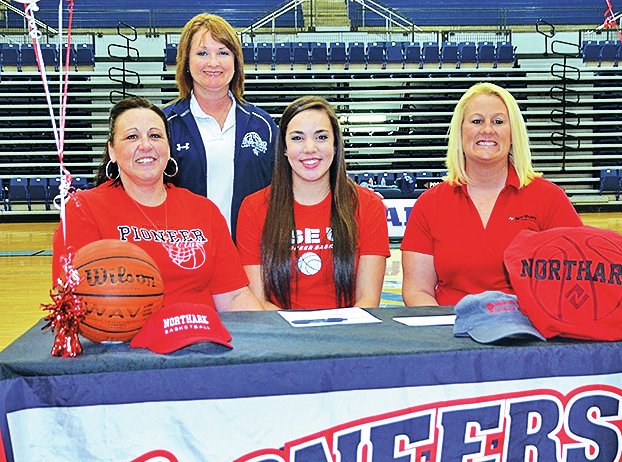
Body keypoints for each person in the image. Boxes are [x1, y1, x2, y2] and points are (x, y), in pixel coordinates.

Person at [52, 96, 262, 312]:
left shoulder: (203, 210)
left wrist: (275, 336)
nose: (145, 145)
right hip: (125, 342)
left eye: (155, 135)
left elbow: (234, 296)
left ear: (169, 148)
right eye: (132, 137)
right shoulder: (83, 209)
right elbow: (70, 298)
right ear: (112, 151)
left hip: (201, 337)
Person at [401, 82, 583, 306]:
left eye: (498, 121)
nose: (487, 129)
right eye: (477, 121)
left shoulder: (549, 198)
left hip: (528, 334)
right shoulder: (430, 204)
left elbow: (577, 277)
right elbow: (417, 290)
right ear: (460, 131)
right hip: (452, 332)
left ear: (512, 132)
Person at [236, 96, 390, 310]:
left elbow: (368, 300)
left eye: (321, 137)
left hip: (348, 336)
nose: (310, 148)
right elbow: (258, 301)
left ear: (335, 145)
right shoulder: (254, 208)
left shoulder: (368, 206)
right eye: (297, 138)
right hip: (282, 336)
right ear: (284, 148)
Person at [164, 13, 277, 237]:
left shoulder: (264, 125)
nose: (213, 63)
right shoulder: (164, 124)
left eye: (223, 53)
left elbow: (279, 196)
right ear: (186, 61)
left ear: (236, 61)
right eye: (202, 53)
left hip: (249, 258)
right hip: (185, 256)